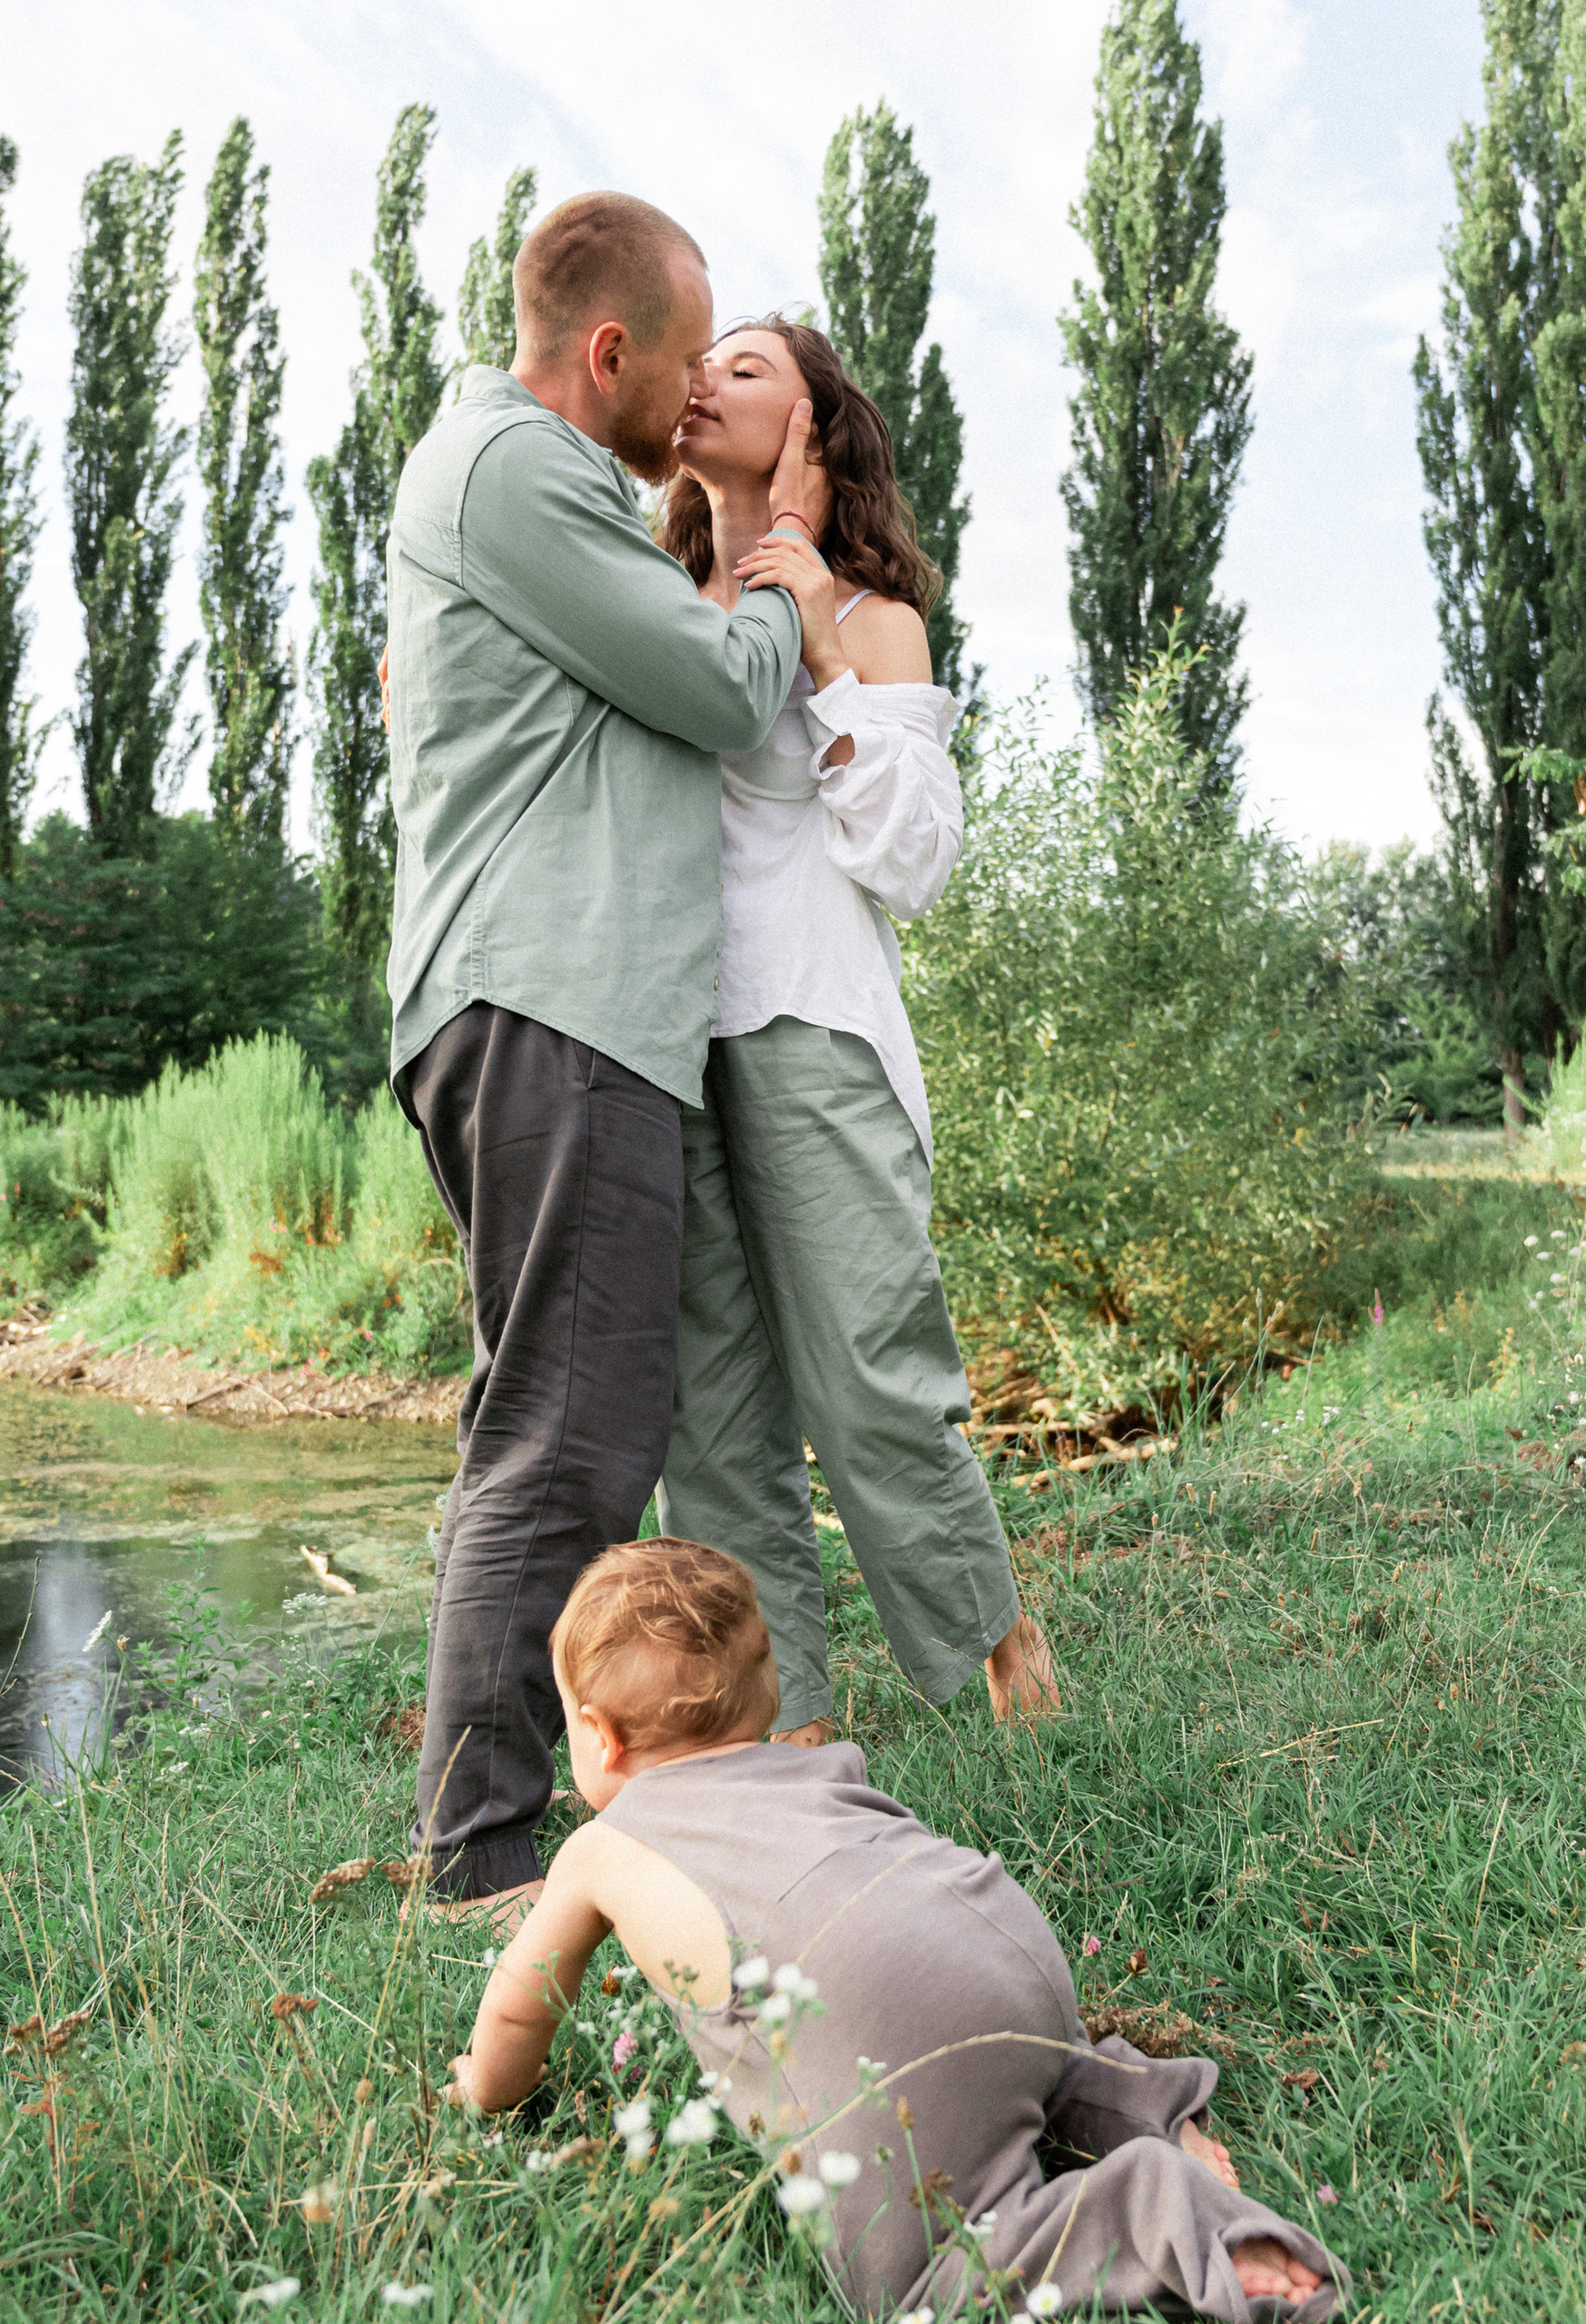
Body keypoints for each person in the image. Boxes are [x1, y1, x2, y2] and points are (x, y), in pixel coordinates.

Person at [383, 193, 833, 1917]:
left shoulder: (521, 485)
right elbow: (722, 692)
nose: (695, 388)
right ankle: (487, 1855)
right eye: (687, 346)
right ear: (609, 353)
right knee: (565, 1440)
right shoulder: (521, 470)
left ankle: (520, 1815)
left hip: (553, 1010)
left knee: (565, 1422)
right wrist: (782, 564)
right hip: (550, 1006)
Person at [451, 1540, 1343, 2321]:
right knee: (1029, 2059)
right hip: (1001, 1943)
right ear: (764, 1695)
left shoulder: (599, 1851)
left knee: (911, 2282)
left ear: (599, 1738)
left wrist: (482, 2090)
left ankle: (1145, 2206)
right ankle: (1135, 2100)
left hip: (895, 2030)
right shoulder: (806, 1765)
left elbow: (523, 2009)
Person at [651, 317, 1059, 1744]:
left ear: (813, 432)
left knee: (872, 1386)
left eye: (747, 367)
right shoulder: (638, 600)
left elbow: (916, 859)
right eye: (699, 359)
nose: (703, 376)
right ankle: (790, 1734)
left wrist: (819, 643)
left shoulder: (873, 619)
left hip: (809, 1024)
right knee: (709, 1421)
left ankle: (1006, 1664)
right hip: (657, 1043)